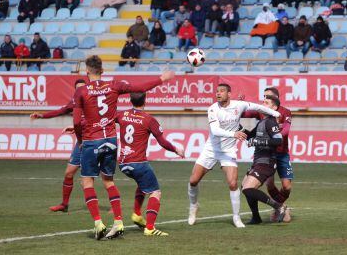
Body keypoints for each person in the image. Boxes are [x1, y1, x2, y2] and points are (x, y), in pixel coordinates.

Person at [72, 55, 175, 240]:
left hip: (91, 139)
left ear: (86, 71)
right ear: (102, 71)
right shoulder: (114, 85)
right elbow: (140, 88)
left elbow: (77, 122)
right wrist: (162, 79)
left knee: (87, 182)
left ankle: (98, 222)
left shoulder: (81, 92)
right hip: (110, 140)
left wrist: (80, 139)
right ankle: (118, 222)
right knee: (109, 181)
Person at [187, 84, 281, 228]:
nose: (218, 94)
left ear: (229, 94)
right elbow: (215, 130)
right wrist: (234, 134)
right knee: (193, 181)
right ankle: (193, 207)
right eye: (217, 91)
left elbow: (257, 107)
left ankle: (236, 218)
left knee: (232, 183)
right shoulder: (212, 109)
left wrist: (275, 114)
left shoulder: (239, 105)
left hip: (228, 151)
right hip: (211, 149)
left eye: (222, 91)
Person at [116, 92, 185, 236]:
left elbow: (103, 121)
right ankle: (150, 228)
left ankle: (136, 214)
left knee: (142, 185)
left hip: (122, 163)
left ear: (130, 100)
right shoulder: (148, 120)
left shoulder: (121, 115)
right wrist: (176, 149)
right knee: (155, 192)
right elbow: (162, 142)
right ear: (145, 101)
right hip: (138, 163)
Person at [29, 79, 87, 212]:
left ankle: (113, 206)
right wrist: (41, 116)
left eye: (83, 88)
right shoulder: (74, 102)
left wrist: (75, 126)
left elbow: (92, 121)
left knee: (102, 177)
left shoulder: (93, 102)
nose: (81, 90)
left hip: (94, 142)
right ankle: (64, 205)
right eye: (78, 88)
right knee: (68, 173)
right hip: (80, 143)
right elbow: (60, 111)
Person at [241, 95, 287, 224]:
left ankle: (278, 206)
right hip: (258, 162)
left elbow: (278, 140)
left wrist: (257, 141)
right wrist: (235, 124)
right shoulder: (262, 122)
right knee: (245, 187)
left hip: (267, 162)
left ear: (274, 107)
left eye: (266, 103)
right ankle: (256, 217)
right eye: (263, 102)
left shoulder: (271, 122)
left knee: (247, 189)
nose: (262, 104)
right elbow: (249, 135)